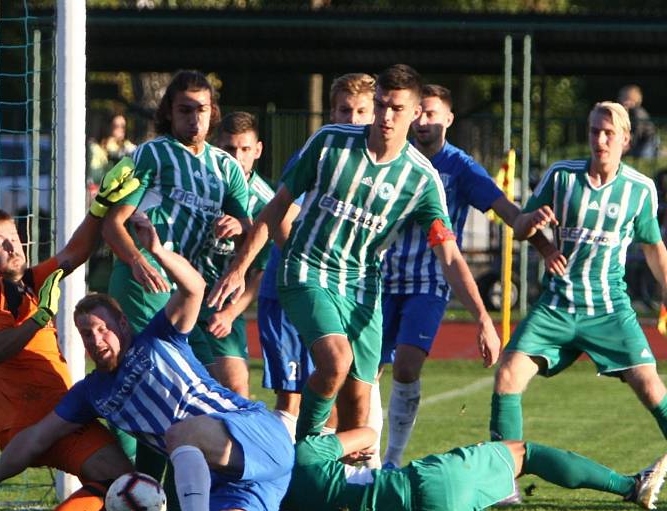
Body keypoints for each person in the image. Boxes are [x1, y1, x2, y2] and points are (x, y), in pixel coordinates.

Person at [0, 215, 376, 511]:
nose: (95, 339)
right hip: (231, 479)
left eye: (101, 328)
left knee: (178, 434)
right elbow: (34, 439)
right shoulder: (92, 392)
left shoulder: (160, 337)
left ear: (122, 324)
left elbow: (194, 288)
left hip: (254, 433)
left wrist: (156, 251)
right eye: (84, 333)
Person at [209, 64, 501, 443]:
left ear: (414, 114)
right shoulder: (330, 142)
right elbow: (277, 207)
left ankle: (334, 489)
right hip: (306, 270)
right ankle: (306, 456)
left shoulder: (422, 179)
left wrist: (482, 316)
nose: (386, 116)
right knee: (335, 360)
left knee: (358, 406)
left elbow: (449, 255)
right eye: (380, 105)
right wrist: (238, 268)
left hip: (362, 287)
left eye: (397, 108)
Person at [379, 84, 565, 468]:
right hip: (378, 277)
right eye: (419, 113)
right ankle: (355, 463)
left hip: (428, 282)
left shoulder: (460, 166)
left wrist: (542, 241)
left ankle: (392, 461)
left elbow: (510, 214)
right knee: (363, 371)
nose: (423, 121)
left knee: (407, 365)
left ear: (448, 119)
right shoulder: (392, 157)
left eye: (432, 114)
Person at [0, 159, 140, 511]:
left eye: (13, 237)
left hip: (53, 414)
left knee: (118, 474)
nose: (11, 246)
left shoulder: (27, 282)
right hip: (29, 420)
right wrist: (40, 318)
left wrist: (100, 208)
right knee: (117, 477)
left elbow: (75, 252)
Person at [101, 69, 251, 511]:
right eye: (184, 110)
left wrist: (238, 225)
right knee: (148, 392)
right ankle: (140, 498)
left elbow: (251, 228)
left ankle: (162, 500)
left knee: (202, 390)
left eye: (201, 110)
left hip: (189, 290)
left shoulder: (225, 167)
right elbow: (113, 222)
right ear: (169, 112)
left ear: (212, 114)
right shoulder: (152, 155)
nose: (194, 119)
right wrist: (137, 260)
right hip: (143, 286)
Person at [492, 102, 667, 453]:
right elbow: (521, 225)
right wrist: (540, 235)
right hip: (557, 305)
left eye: (608, 133)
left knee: (649, 384)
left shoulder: (640, 188)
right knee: (507, 375)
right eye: (594, 131)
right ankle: (503, 477)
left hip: (608, 308)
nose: (600, 140)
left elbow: (652, 247)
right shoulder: (562, 176)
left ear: (626, 140)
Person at [282, 425, 666, 511]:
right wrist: (348, 451)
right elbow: (365, 433)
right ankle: (630, 486)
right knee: (525, 453)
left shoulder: (267, 508)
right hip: (428, 485)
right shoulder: (303, 455)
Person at [257, 72, 375, 436]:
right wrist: (308, 267)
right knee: (292, 395)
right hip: (295, 289)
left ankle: (325, 474)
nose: (352, 120)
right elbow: (280, 217)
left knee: (336, 384)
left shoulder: (381, 166)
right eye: (344, 110)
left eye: (360, 111)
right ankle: (286, 474)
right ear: (331, 113)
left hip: (340, 291)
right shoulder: (319, 152)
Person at [212, 110, 275, 397]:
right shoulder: (201, 184)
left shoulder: (267, 202)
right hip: (180, 295)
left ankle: (236, 443)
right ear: (216, 147)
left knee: (236, 386)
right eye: (229, 149)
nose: (237, 157)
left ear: (257, 150)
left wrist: (230, 314)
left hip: (224, 304)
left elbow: (262, 272)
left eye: (245, 149)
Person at [87, 113, 136, 185]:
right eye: (116, 126)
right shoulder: (96, 147)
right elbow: (95, 175)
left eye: (123, 126)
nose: (120, 129)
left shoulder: (127, 146)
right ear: (108, 126)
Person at [617, 85, 659, 160]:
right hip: (637, 139)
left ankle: (658, 152)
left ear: (635, 101)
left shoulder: (638, 113)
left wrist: (629, 144)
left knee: (643, 156)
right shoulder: (624, 112)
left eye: (628, 99)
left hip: (648, 139)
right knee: (631, 154)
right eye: (623, 99)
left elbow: (638, 131)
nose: (624, 102)